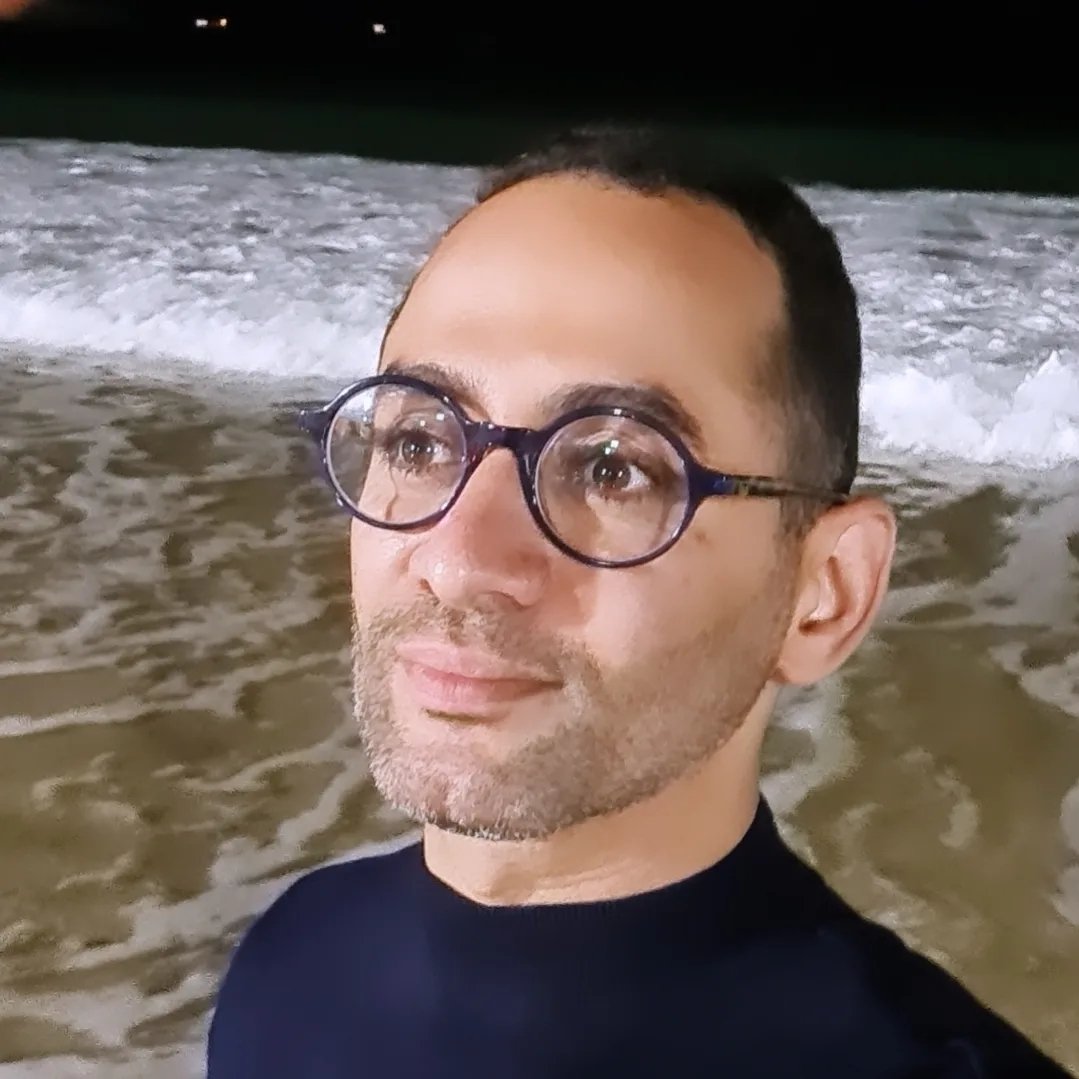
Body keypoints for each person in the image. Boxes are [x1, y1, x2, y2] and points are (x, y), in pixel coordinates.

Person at [206, 125, 1072, 1078]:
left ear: (823, 594)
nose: (457, 559)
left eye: (612, 468)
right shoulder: (291, 966)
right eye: (419, 442)